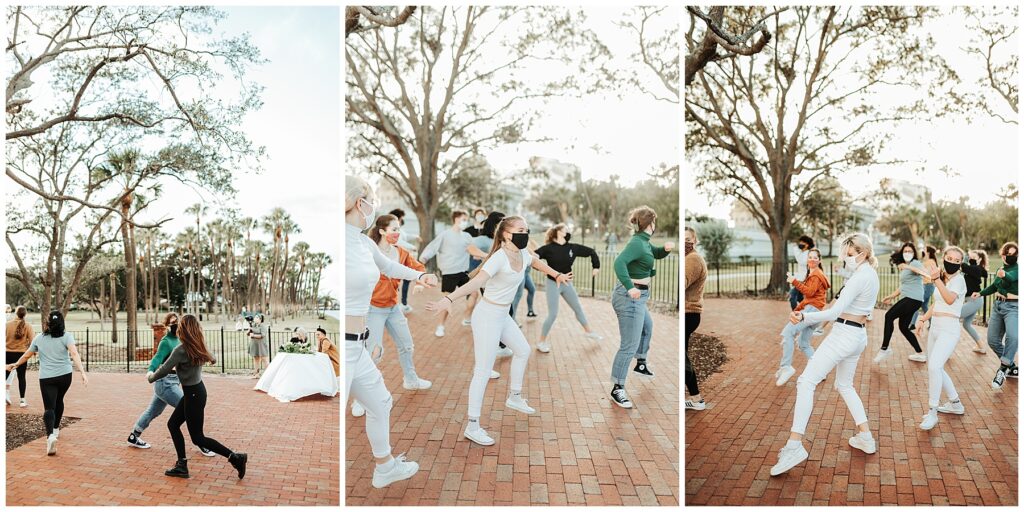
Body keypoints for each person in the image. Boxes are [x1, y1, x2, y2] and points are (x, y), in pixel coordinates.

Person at [425, 216, 569, 446]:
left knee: (522, 350)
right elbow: (475, 283)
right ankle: (472, 426)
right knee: (483, 371)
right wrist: (450, 298)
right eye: (521, 230)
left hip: (503, 316)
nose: (526, 233)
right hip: (487, 317)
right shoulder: (497, 258)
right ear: (505, 234)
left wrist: (557, 275)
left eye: (527, 229)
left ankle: (514, 396)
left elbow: (538, 263)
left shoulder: (522, 254)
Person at [346, 175, 438, 488]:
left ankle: (384, 467)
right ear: (360, 203)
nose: (373, 207)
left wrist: (419, 276)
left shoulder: (361, 241)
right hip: (341, 348)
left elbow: (388, 266)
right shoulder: (337, 239)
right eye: (371, 200)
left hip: (356, 347)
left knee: (381, 403)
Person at [770, 233, 880, 476]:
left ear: (862, 254)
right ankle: (865, 436)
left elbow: (834, 312)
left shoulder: (860, 277)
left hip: (844, 335)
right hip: (857, 336)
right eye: (845, 254)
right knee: (845, 385)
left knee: (806, 381)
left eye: (850, 255)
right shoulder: (870, 274)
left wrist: (804, 316)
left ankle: (794, 445)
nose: (846, 258)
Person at [352, 214, 433, 418]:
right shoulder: (368, 251)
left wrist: (420, 282)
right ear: (381, 231)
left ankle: (411, 379)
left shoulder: (401, 253)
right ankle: (360, 398)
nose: (397, 233)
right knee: (373, 353)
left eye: (399, 229)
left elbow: (418, 268)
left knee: (407, 345)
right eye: (393, 229)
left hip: (393, 307)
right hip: (373, 309)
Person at [148, 314, 246, 479]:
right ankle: (182, 465)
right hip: (196, 392)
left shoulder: (180, 349)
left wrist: (150, 376)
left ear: (183, 329)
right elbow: (213, 359)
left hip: (193, 395)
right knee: (173, 424)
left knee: (198, 438)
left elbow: (164, 369)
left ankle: (236, 457)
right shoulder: (198, 346)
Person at [609, 206, 673, 408]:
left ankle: (641, 363)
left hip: (639, 296)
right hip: (630, 297)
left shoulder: (644, 242)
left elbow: (654, 253)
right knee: (629, 344)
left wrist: (665, 250)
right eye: (654, 222)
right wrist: (629, 287)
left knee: (647, 327)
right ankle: (617, 387)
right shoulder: (637, 243)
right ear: (650, 224)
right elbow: (619, 263)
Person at [125, 313, 215, 457]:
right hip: (165, 383)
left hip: (173, 382)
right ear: (167, 325)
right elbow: (158, 358)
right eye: (172, 322)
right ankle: (201, 442)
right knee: (187, 409)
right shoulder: (166, 341)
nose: (176, 324)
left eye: (177, 321)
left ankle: (134, 436)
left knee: (153, 411)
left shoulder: (182, 339)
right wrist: (150, 372)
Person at [5, 310, 88, 456]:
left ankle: (50, 436)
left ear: (47, 323)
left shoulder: (39, 338)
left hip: (47, 378)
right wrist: (82, 372)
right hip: (65, 376)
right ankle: (56, 429)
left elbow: (27, 355)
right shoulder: (67, 336)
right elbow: (74, 353)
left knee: (49, 408)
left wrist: (16, 364)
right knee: (59, 400)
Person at [913, 247, 968, 430]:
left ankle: (932, 412)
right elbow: (937, 303)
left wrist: (936, 280)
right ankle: (955, 403)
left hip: (949, 330)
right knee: (936, 367)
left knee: (934, 367)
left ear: (961, 263)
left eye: (957, 260)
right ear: (943, 258)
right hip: (935, 327)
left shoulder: (959, 280)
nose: (952, 261)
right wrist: (922, 318)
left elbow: (950, 300)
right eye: (949, 258)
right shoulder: (943, 279)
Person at [533, 224, 603, 353]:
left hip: (567, 284)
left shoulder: (572, 248)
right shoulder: (548, 249)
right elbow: (534, 258)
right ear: (558, 232)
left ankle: (589, 332)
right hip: (553, 284)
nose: (568, 232)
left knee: (578, 308)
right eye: (566, 230)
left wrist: (596, 266)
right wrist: (540, 267)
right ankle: (541, 342)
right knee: (553, 314)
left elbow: (591, 252)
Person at [420, 210, 487, 338]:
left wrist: (484, 256)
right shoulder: (445, 235)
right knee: (447, 300)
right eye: (463, 219)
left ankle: (467, 318)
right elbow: (432, 248)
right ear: (456, 219)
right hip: (449, 273)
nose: (465, 222)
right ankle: (440, 325)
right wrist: (423, 260)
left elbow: (473, 250)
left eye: (466, 219)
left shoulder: (467, 236)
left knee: (474, 293)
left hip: (463, 272)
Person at [776, 249, 831, 386]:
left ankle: (786, 367)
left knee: (788, 332)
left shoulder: (816, 275)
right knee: (803, 343)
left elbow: (809, 293)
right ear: (807, 260)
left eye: (815, 258)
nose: (812, 260)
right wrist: (797, 309)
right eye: (810, 257)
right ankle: (820, 371)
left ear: (819, 260)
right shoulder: (813, 274)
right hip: (814, 312)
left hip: (812, 311)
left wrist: (794, 281)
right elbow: (809, 298)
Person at [875, 243, 930, 363]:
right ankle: (920, 353)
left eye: (910, 251)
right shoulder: (907, 266)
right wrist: (890, 296)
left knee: (889, 316)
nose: (907, 253)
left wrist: (908, 267)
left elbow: (925, 273)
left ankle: (885, 348)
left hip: (913, 298)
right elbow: (903, 286)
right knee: (903, 327)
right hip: (911, 298)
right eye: (905, 251)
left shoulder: (914, 263)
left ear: (914, 253)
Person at [976, 242, 1018, 388]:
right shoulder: (1000, 268)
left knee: (1014, 337)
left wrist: (1004, 275)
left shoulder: (1018, 268)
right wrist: (980, 293)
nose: (1012, 257)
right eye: (1009, 254)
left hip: (1014, 307)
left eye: (1015, 254)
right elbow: (994, 286)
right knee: (992, 340)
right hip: (998, 306)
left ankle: (1003, 369)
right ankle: (1011, 365)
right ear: (1003, 254)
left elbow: (1011, 277)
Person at [683, 226, 707, 411]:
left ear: (695, 241)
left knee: (682, 359)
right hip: (688, 313)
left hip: (689, 313)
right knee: (683, 357)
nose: (685, 242)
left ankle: (697, 398)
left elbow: (682, 282)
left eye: (688, 239)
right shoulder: (689, 258)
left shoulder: (693, 259)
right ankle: (696, 398)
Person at [389, 208, 420, 314]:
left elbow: (405, 236)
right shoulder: (393, 229)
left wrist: (416, 237)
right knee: (395, 282)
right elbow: (399, 241)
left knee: (406, 280)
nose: (402, 220)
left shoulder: (400, 229)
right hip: (396, 259)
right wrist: (412, 247)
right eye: (401, 218)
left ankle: (403, 303)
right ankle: (395, 304)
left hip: (403, 259)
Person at [960, 249, 990, 353]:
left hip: (975, 301)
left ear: (979, 258)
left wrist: (967, 261)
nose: (970, 257)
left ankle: (948, 346)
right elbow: (967, 269)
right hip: (970, 300)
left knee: (954, 315)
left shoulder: (977, 269)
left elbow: (965, 267)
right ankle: (981, 346)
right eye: (969, 256)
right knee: (966, 324)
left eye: (973, 256)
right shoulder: (974, 268)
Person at [6, 306, 34, 407]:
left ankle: (4, 394)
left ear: (15, 313)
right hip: (21, 355)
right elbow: (32, 342)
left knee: (4, 376)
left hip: (7, 353)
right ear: (25, 314)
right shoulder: (28, 326)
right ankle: (22, 400)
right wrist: (33, 353)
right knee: (21, 377)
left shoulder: (7, 325)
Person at [912, 245, 940, 326]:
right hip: (927, 286)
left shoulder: (931, 261)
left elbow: (927, 273)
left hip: (928, 286)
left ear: (928, 252)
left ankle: (912, 324)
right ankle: (932, 324)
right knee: (924, 306)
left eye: (925, 249)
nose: (923, 250)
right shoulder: (928, 261)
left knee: (917, 303)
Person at [789, 236, 815, 310]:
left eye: (802, 242)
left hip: (803, 279)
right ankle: (808, 311)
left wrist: (795, 249)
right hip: (801, 279)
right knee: (800, 298)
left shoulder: (808, 254)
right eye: (800, 242)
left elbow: (801, 261)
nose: (800, 244)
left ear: (807, 244)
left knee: (792, 296)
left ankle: (796, 313)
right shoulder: (802, 252)